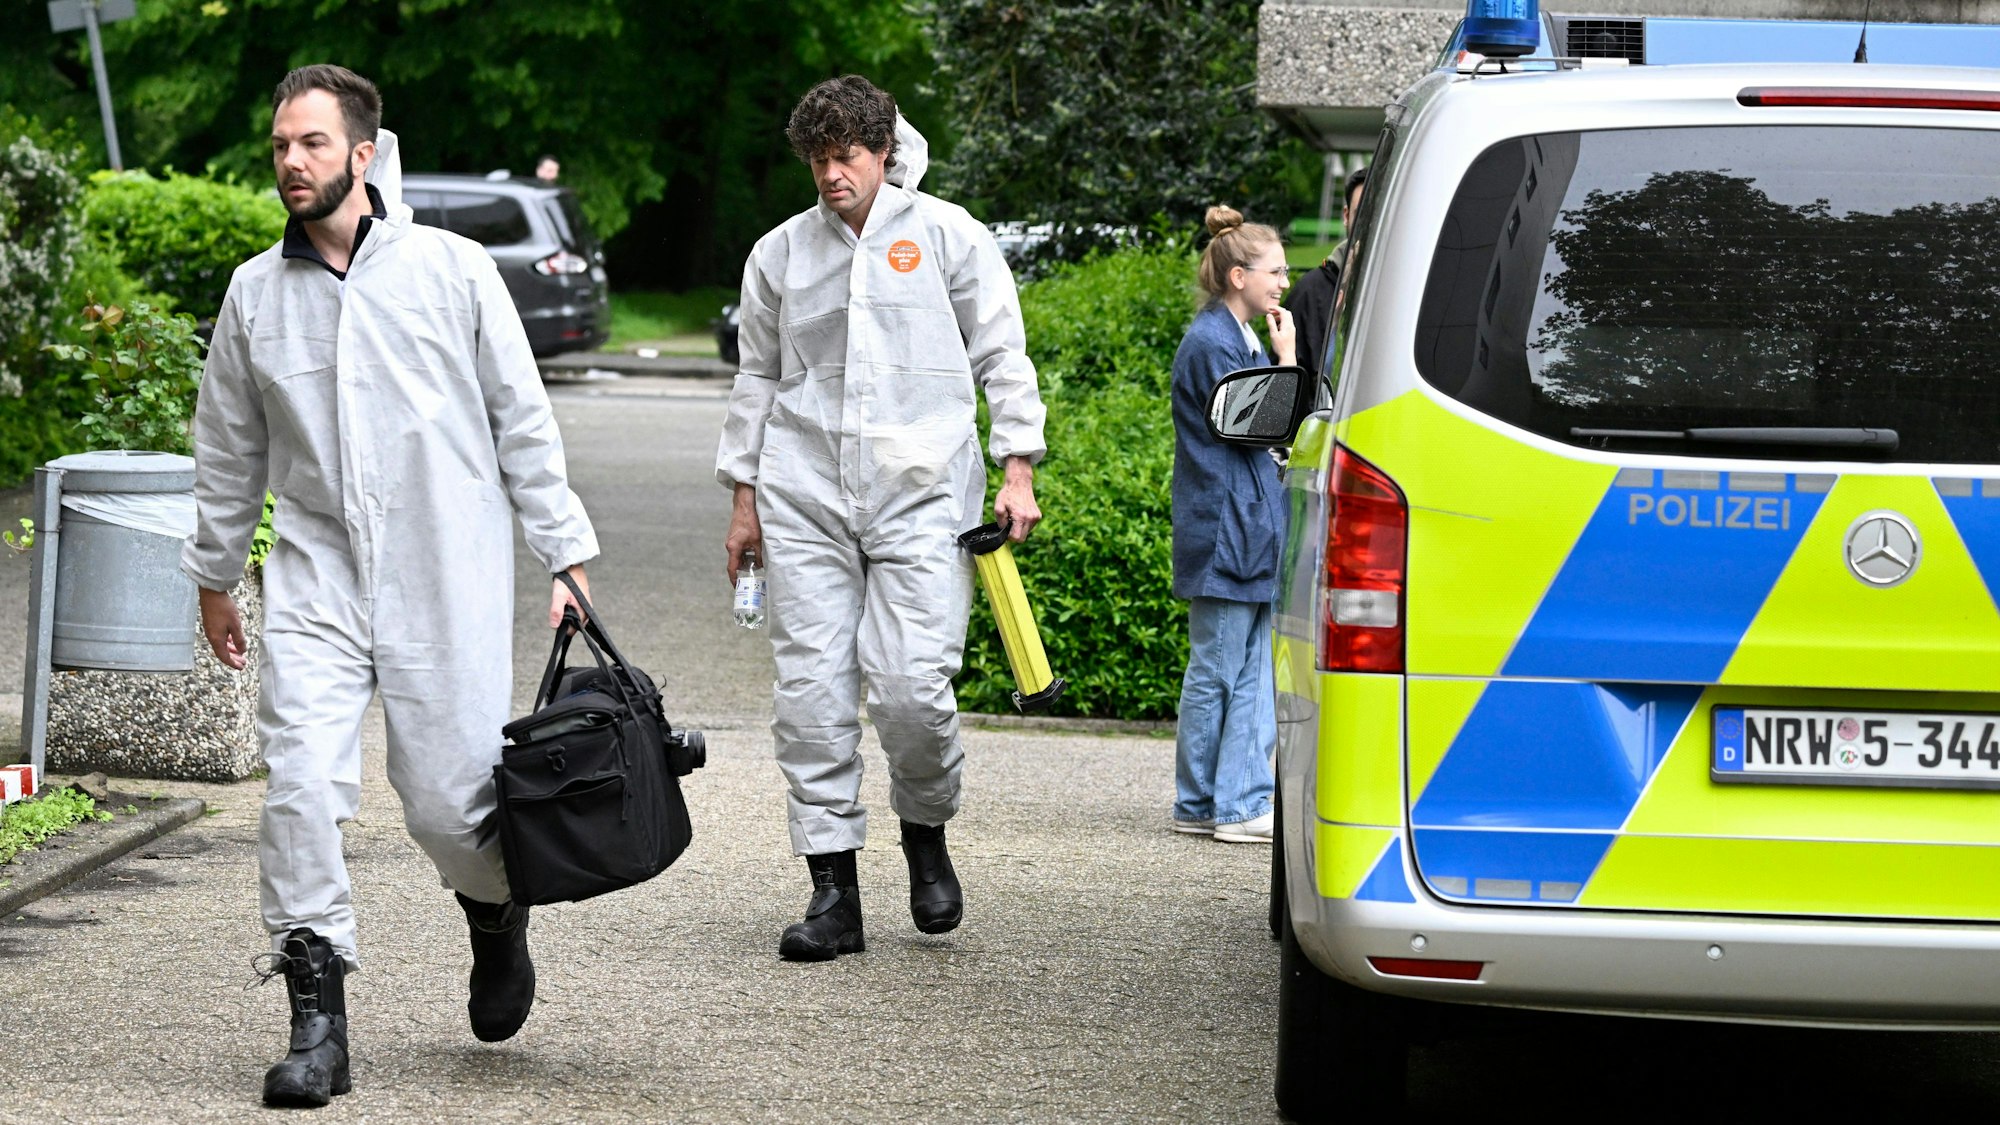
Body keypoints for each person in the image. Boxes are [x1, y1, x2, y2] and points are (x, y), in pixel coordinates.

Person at [182, 64, 598, 1107]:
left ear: (363, 156)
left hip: (445, 571)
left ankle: (497, 916)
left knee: (450, 809)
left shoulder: (451, 271)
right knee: (302, 794)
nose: (290, 161)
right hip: (319, 577)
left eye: (312, 144)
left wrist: (565, 555)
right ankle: (318, 1016)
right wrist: (215, 574)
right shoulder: (254, 294)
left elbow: (521, 420)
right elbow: (228, 447)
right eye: (281, 144)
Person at [715, 75, 1046, 962]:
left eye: (846, 156)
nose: (831, 175)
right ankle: (833, 891)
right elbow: (757, 376)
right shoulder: (780, 254)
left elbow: (1001, 354)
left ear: (885, 153)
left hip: (925, 492)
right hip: (805, 491)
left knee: (911, 689)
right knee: (811, 696)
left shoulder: (949, 236)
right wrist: (743, 497)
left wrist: (1018, 467)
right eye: (818, 160)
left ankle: (925, 832)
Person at [1168, 205, 1292, 844]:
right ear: (1238, 275)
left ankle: (1214, 803)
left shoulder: (1229, 338)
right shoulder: (1212, 343)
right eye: (1274, 271)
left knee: (1239, 671)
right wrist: (1288, 357)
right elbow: (1258, 425)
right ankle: (1228, 806)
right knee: (1224, 670)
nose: (1283, 283)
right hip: (1226, 527)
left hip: (1243, 525)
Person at [1283, 164, 1367, 382]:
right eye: (1363, 213)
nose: (1371, 223)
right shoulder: (1310, 292)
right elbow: (1289, 389)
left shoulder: (1416, 293)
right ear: (1346, 216)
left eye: (1379, 212)